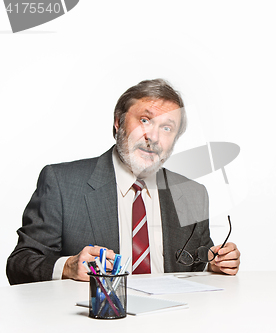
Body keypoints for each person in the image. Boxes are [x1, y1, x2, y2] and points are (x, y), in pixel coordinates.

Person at [7, 79, 240, 285]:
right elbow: (19, 264)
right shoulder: (61, 183)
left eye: (167, 128)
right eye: (145, 120)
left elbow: (197, 264)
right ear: (119, 122)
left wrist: (216, 264)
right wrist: (67, 267)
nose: (153, 137)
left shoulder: (192, 193)